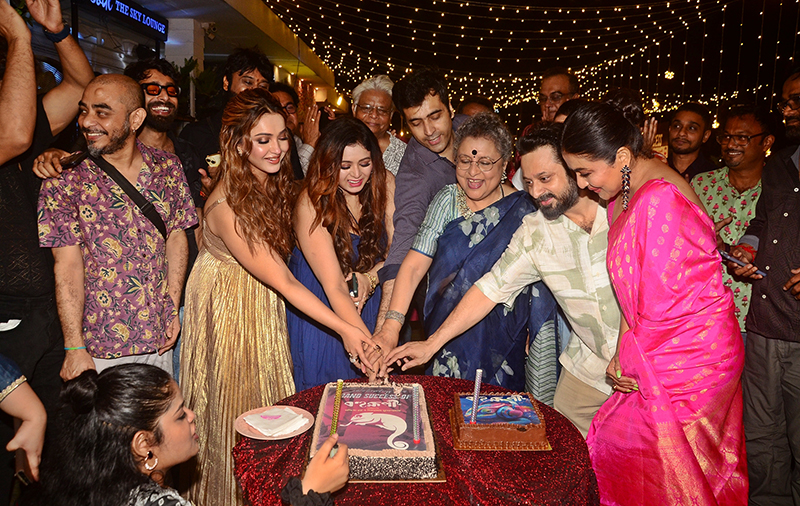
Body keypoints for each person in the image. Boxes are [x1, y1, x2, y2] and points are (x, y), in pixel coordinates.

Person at [179, 88, 375, 505]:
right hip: (230, 309)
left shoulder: (270, 181)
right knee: (242, 412)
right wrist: (346, 329)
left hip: (265, 303)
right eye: (263, 139)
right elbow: (285, 280)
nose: (277, 148)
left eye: (283, 137)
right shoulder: (226, 204)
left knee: (273, 410)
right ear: (238, 143)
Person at [560, 101, 747, 503]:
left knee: (670, 471)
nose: (581, 183)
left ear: (622, 157)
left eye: (585, 172)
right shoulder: (622, 194)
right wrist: (620, 348)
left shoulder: (659, 198)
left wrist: (631, 357)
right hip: (657, 341)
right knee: (646, 465)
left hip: (693, 354)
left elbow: (665, 304)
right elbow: (633, 290)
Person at [386, 123, 620, 434]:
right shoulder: (534, 232)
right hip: (587, 370)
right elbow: (489, 288)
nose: (535, 192)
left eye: (545, 179)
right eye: (530, 181)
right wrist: (430, 344)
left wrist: (630, 347)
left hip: (654, 358)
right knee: (563, 442)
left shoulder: (621, 211)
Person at [376, 112, 557, 392]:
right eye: (464, 160)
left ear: (505, 163)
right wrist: (391, 327)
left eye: (484, 162)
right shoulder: (447, 200)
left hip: (503, 340)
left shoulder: (525, 211)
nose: (473, 172)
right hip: (443, 338)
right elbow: (413, 266)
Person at [37, 75, 198, 380]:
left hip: (159, 337)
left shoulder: (168, 167)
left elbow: (176, 236)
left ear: (135, 119)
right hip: (101, 344)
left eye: (102, 112)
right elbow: (67, 266)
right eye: (84, 110)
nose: (87, 121)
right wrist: (74, 346)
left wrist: (171, 306)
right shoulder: (64, 180)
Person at [0, 0, 93, 499]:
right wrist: (19, 35)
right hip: (5, 318)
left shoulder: (26, 118)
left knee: (55, 449)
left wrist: (54, 34)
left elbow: (81, 88)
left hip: (49, 312)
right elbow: (14, 136)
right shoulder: (13, 128)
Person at [27, 363, 348, 506]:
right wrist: (311, 493)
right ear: (143, 444)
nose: (193, 417)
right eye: (180, 415)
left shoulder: (92, 487)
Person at [728, 66, 800, 505]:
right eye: (785, 102)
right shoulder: (780, 165)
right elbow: (762, 220)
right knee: (762, 438)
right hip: (763, 322)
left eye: (797, 101)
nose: (787, 110)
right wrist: (748, 247)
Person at [288, 116, 396, 390]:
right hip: (326, 313)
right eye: (344, 166)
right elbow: (335, 285)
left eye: (365, 163)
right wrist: (370, 349)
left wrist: (371, 277)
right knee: (328, 398)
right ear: (327, 164)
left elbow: (399, 255)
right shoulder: (311, 203)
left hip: (370, 305)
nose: (356, 174)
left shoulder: (385, 184)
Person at [374, 68, 466, 337]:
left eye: (435, 116)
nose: (429, 131)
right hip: (448, 289)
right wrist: (386, 330)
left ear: (450, 107)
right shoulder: (415, 174)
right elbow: (403, 243)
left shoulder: (473, 129)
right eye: (416, 123)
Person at [691, 105, 774, 337]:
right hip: (704, 317)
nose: (730, 144)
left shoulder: (779, 190)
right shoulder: (701, 184)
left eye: (742, 137)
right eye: (726, 136)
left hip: (758, 322)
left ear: (767, 142)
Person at [352, 75, 407, 176]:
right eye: (367, 108)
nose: (374, 115)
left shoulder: (405, 155)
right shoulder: (337, 145)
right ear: (354, 109)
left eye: (382, 110)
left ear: (391, 115)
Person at [667, 102, 717, 181]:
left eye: (691, 128)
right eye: (676, 126)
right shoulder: (656, 169)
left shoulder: (714, 177)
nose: (681, 133)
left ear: (705, 136)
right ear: (670, 129)